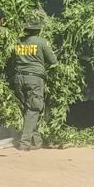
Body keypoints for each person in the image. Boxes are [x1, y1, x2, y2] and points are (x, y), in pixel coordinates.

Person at [10, 13, 57, 151]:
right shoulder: (41, 42)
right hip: (34, 79)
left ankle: (37, 142)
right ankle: (24, 143)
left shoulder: (18, 41)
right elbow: (53, 61)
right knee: (34, 108)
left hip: (19, 79)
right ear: (38, 30)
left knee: (29, 109)